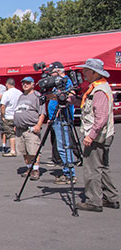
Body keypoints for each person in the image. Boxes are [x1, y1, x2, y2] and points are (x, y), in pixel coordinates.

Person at [71, 59, 118, 212]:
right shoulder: (98, 87)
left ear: (94, 73)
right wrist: (72, 100)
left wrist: (90, 135)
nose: (83, 73)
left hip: (98, 136)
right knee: (102, 167)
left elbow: (101, 117)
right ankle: (111, 198)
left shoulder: (99, 90)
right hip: (104, 135)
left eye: (86, 70)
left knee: (92, 168)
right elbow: (88, 106)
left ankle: (94, 200)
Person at [45, 62, 77, 185]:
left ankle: (69, 173)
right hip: (55, 118)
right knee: (61, 147)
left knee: (63, 147)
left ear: (58, 71)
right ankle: (67, 171)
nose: (50, 75)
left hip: (62, 118)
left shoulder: (65, 82)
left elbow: (68, 97)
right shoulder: (57, 84)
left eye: (52, 72)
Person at [13, 77, 46, 181]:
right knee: (24, 151)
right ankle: (29, 169)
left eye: (27, 83)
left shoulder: (37, 96)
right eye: (23, 83)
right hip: (19, 128)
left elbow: (42, 113)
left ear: (33, 84)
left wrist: (38, 125)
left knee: (33, 150)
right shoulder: (21, 96)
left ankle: (35, 170)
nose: (25, 85)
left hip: (30, 128)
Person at [0, 78, 22, 157]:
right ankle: (20, 149)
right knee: (19, 133)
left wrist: (2, 115)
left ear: (7, 84)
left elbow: (3, 106)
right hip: (18, 115)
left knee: (11, 134)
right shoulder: (19, 92)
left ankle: (13, 150)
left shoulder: (7, 93)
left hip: (9, 116)